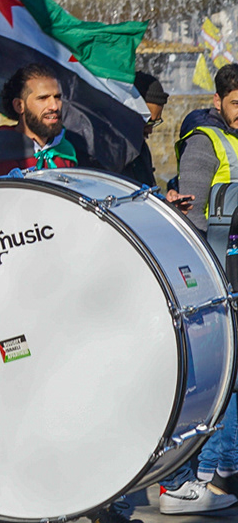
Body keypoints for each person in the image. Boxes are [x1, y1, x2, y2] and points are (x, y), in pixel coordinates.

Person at [156, 64, 238, 513]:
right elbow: (194, 215)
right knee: (213, 378)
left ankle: (222, 470)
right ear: (219, 103)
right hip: (217, 277)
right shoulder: (207, 142)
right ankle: (199, 473)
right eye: (237, 103)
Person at [0, 63, 93, 181]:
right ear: (19, 106)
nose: (54, 106)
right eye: (43, 98)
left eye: (57, 97)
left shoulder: (66, 152)